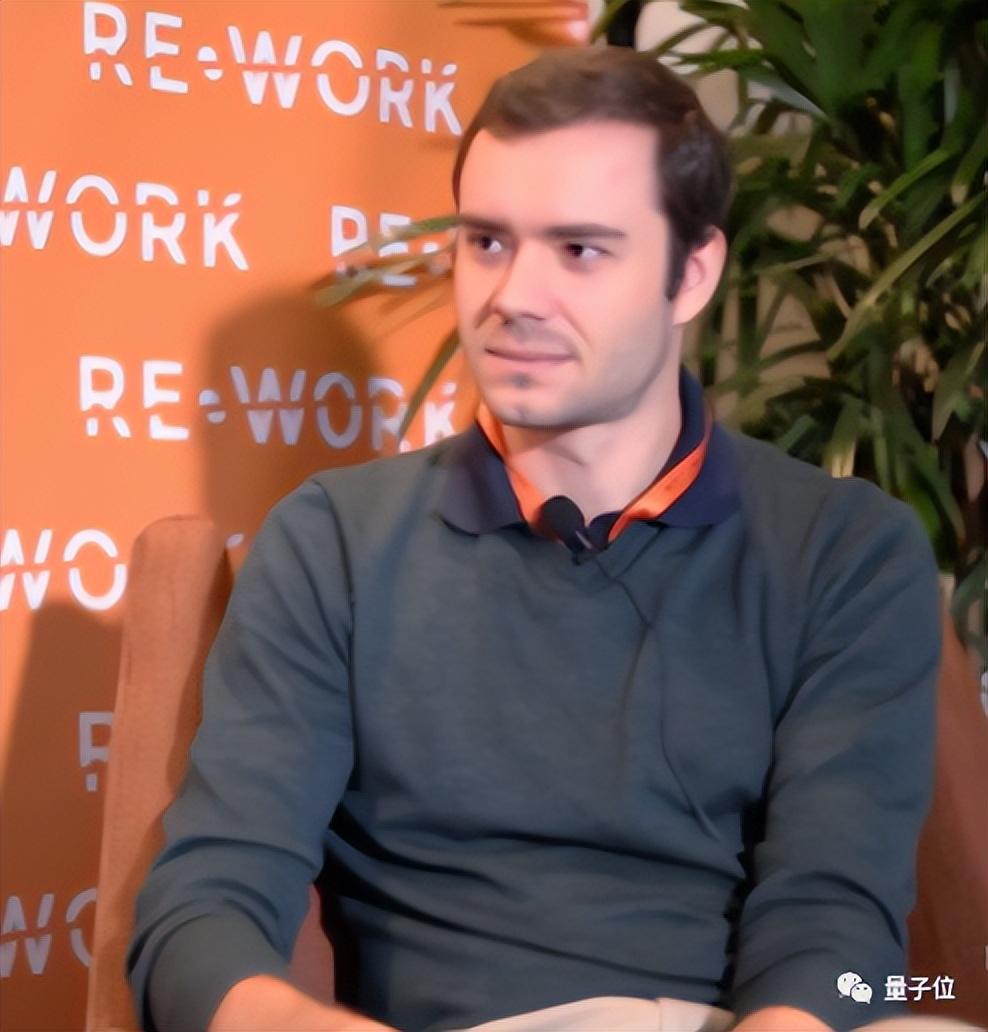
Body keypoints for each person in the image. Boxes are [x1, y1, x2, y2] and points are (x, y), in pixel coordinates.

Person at [127, 46, 973, 1032]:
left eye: (579, 250)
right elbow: (203, 910)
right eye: (487, 242)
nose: (514, 296)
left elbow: (841, 937)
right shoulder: (334, 543)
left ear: (693, 273)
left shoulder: (847, 550)